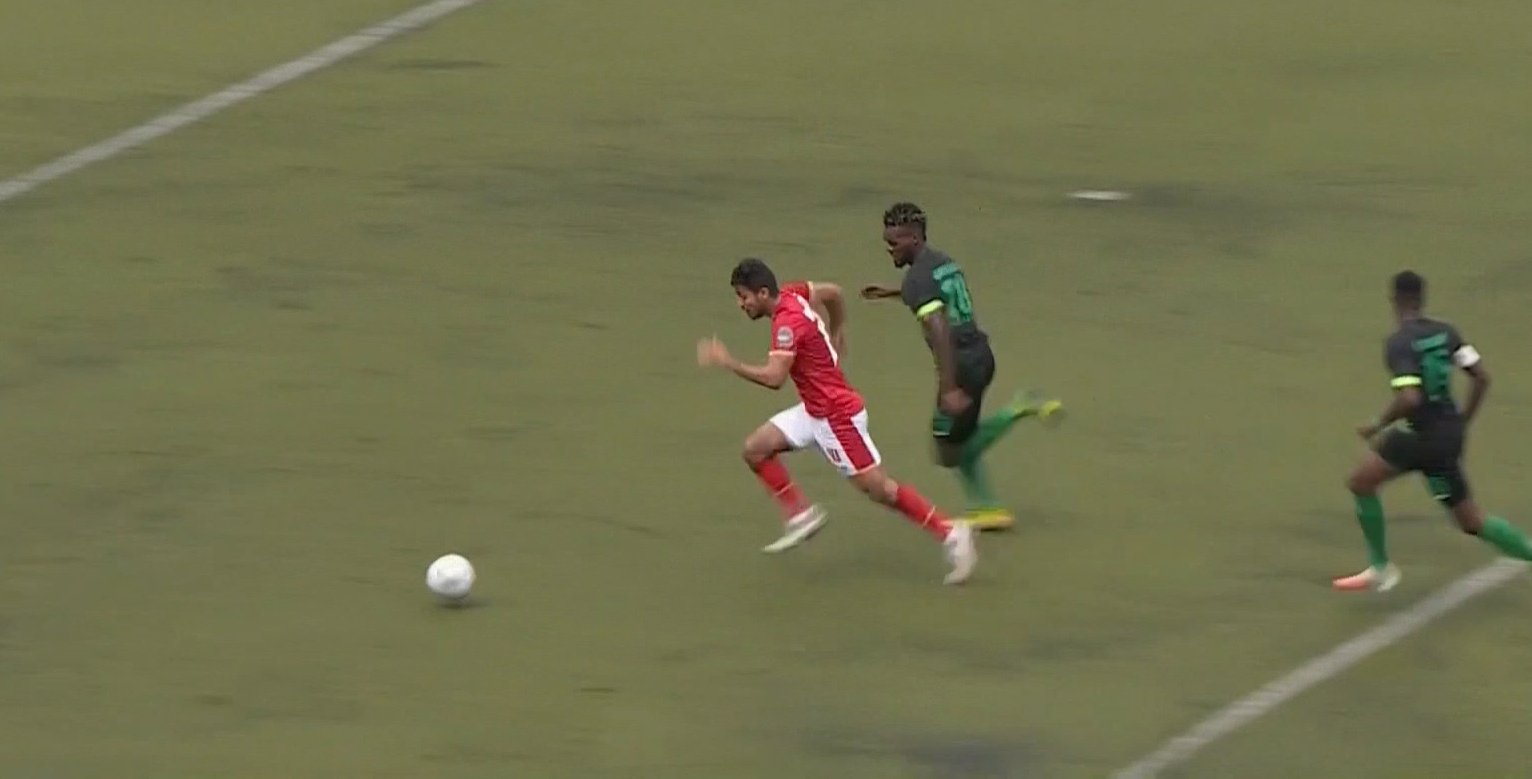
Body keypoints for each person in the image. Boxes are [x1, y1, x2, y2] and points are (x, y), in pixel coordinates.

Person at [697, 257, 977, 585]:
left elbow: (774, 378)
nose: (740, 304)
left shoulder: (787, 324)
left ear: (762, 293)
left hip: (836, 418)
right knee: (755, 449)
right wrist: (838, 327)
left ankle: (951, 533)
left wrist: (728, 362)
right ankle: (800, 515)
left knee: (881, 490)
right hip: (814, 410)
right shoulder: (793, 293)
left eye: (743, 296)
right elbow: (833, 292)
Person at [860, 202, 1062, 531]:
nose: (889, 249)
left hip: (962, 367)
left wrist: (949, 386)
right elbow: (937, 295)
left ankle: (1020, 408)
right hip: (981, 357)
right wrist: (894, 292)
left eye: (894, 243)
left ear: (913, 238)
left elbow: (939, 329)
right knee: (958, 439)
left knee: (948, 449)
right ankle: (987, 507)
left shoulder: (918, 280)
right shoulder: (942, 263)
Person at [1335, 270, 1532, 592]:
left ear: (1394, 300)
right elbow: (1481, 378)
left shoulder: (1399, 343)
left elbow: (1409, 398)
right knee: (1471, 520)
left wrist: (1377, 424)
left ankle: (1381, 568)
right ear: (1422, 300)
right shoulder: (1447, 331)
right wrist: (1463, 420)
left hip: (1420, 438)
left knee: (1361, 483)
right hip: (1447, 437)